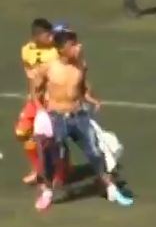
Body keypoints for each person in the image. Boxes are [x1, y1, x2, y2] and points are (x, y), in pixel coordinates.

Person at [31, 31, 133, 211]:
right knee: (51, 156)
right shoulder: (48, 68)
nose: (79, 47)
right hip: (56, 118)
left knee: (95, 152)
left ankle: (110, 188)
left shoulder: (80, 65)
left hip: (79, 116)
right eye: (73, 45)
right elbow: (35, 89)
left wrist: (92, 99)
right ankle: (47, 191)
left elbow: (83, 87)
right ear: (62, 49)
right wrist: (40, 110)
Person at [16, 19, 58, 185]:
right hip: (35, 99)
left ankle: (58, 170)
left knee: (52, 137)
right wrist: (32, 95)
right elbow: (31, 76)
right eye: (48, 35)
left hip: (52, 100)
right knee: (22, 132)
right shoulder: (26, 51)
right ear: (37, 36)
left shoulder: (57, 50)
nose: (51, 37)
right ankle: (38, 169)